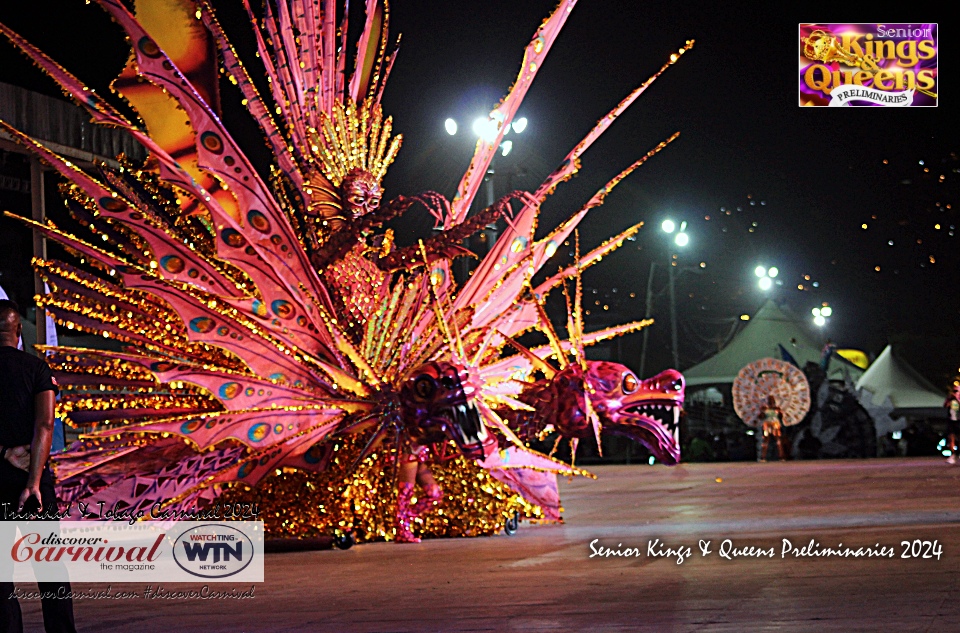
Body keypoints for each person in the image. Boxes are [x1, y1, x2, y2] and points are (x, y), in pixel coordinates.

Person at [0, 300, 77, 633]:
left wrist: (4, 452)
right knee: (50, 573)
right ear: (18, 331)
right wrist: (32, 483)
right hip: (34, 483)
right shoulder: (37, 369)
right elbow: (45, 425)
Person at [757, 394, 787, 462]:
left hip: (775, 424)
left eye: (772, 400)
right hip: (767, 424)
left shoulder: (777, 408)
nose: (771, 401)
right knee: (765, 440)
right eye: (770, 400)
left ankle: (781, 456)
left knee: (778, 440)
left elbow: (781, 417)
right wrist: (762, 412)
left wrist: (780, 412)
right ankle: (763, 457)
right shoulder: (764, 408)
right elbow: (760, 417)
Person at [944, 390, 960, 464]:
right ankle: (952, 455)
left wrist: (957, 399)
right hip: (951, 422)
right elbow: (945, 405)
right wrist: (949, 399)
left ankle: (958, 454)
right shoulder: (950, 400)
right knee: (951, 439)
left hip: (958, 421)